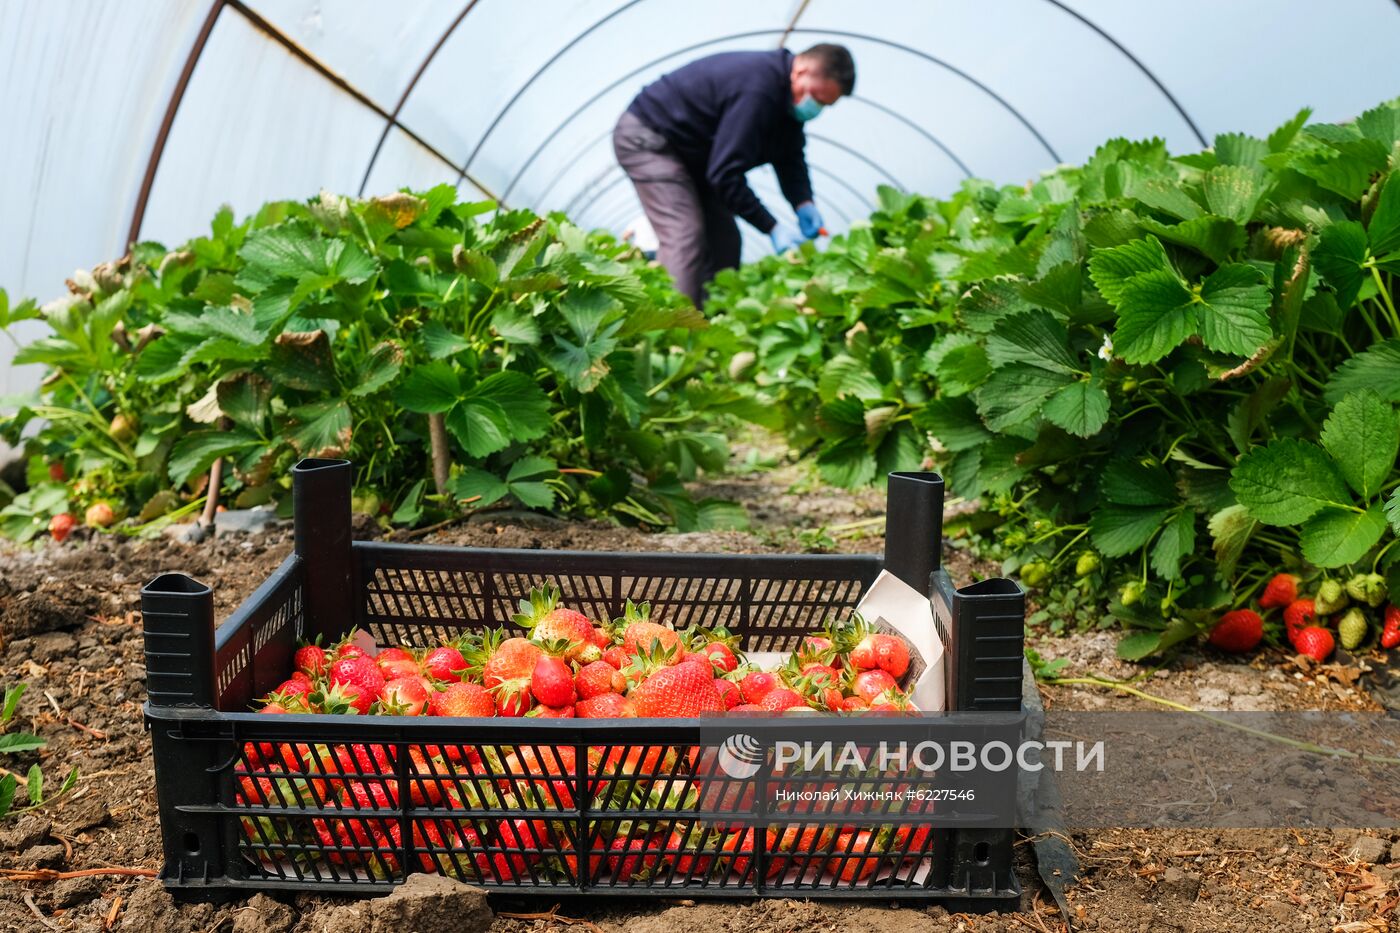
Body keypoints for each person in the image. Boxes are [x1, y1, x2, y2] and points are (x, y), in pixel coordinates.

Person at [612, 43, 855, 306]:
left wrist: (803, 202)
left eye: (824, 104)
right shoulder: (758, 90)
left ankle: (714, 316)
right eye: (816, 97)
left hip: (694, 158)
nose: (815, 108)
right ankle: (675, 326)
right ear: (801, 71)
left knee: (725, 240)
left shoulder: (785, 102)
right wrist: (771, 226)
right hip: (649, 138)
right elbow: (725, 174)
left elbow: (790, 155)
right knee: (684, 234)